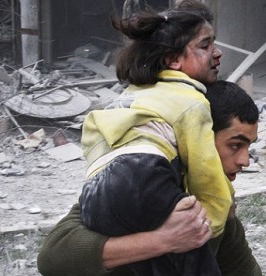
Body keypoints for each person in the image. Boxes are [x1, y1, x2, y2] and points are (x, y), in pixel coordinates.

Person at [38, 81, 262, 276]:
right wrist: (163, 240)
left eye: (248, 147)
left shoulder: (215, 201)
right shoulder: (140, 184)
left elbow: (241, 267)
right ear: (200, 139)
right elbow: (52, 258)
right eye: (235, 145)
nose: (245, 160)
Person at [78, 1, 232, 274]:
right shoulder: (190, 100)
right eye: (205, 45)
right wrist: (209, 223)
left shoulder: (129, 97)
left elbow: (93, 139)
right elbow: (205, 175)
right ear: (173, 60)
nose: (217, 53)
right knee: (192, 253)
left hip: (93, 195)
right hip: (143, 177)